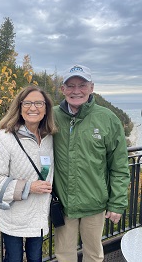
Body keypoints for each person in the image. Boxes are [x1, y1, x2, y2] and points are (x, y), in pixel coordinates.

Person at [53, 64, 130, 262]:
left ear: (91, 87)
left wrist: (117, 202)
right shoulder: (51, 117)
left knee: (94, 255)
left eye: (82, 85)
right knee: (64, 256)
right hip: (63, 204)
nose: (76, 91)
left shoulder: (107, 119)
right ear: (62, 89)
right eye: (70, 86)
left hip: (95, 204)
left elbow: (119, 166)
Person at [0, 85, 57, 262]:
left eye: (39, 103)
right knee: (14, 258)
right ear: (19, 107)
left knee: (36, 258)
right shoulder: (5, 137)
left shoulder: (49, 137)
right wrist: (29, 187)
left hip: (38, 214)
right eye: (28, 103)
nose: (33, 108)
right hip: (13, 216)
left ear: (46, 109)